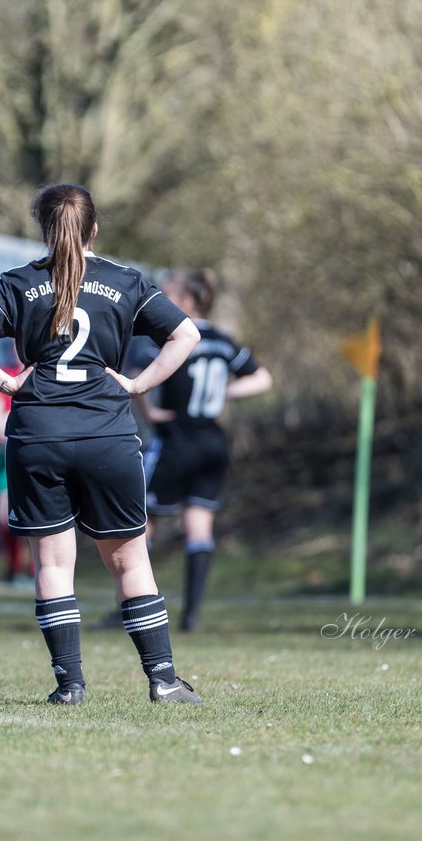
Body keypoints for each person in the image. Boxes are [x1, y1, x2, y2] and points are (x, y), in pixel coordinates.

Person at [0, 182, 204, 704]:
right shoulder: (127, 281)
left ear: (45, 231)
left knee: (53, 565)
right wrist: (137, 385)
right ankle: (164, 680)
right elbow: (186, 335)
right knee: (131, 560)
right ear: (94, 229)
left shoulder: (18, 283)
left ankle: (71, 686)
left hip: (38, 434)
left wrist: (8, 383)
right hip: (107, 433)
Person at [139, 269, 273, 632]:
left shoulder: (173, 338)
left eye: (166, 295)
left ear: (185, 302)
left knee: (141, 523)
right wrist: (223, 394)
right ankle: (192, 615)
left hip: (176, 440)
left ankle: (134, 610)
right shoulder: (223, 341)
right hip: (213, 443)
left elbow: (138, 381)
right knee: (199, 529)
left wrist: (150, 410)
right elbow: (262, 378)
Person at [0, 356, 33, 587]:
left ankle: (32, 569)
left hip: (36, 455)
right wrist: (1, 426)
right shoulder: (6, 375)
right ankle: (14, 569)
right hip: (6, 458)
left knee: (36, 514)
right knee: (6, 517)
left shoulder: (45, 373)